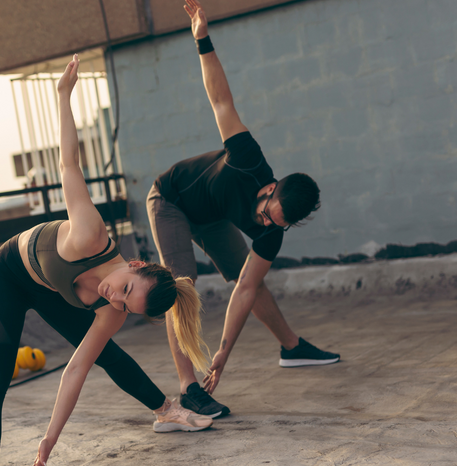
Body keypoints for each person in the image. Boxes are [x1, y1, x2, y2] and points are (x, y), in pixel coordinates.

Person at [0, 54, 213, 466]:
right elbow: (69, 162)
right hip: (8, 275)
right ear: (135, 263)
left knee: (108, 353)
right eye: (123, 288)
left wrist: (49, 440)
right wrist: (63, 96)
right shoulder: (89, 235)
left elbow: (75, 371)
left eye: (123, 303)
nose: (112, 297)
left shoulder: (113, 306)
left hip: (47, 288)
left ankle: (165, 410)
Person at [145, 0, 341, 419]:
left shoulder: (274, 230)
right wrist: (202, 39)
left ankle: (292, 348)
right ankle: (188, 388)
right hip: (172, 199)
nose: (267, 223)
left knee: (249, 277)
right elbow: (220, 100)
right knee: (180, 287)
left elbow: (246, 288)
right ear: (268, 189)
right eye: (268, 214)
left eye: (278, 224)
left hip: (212, 216)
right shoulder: (249, 159)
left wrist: (222, 354)